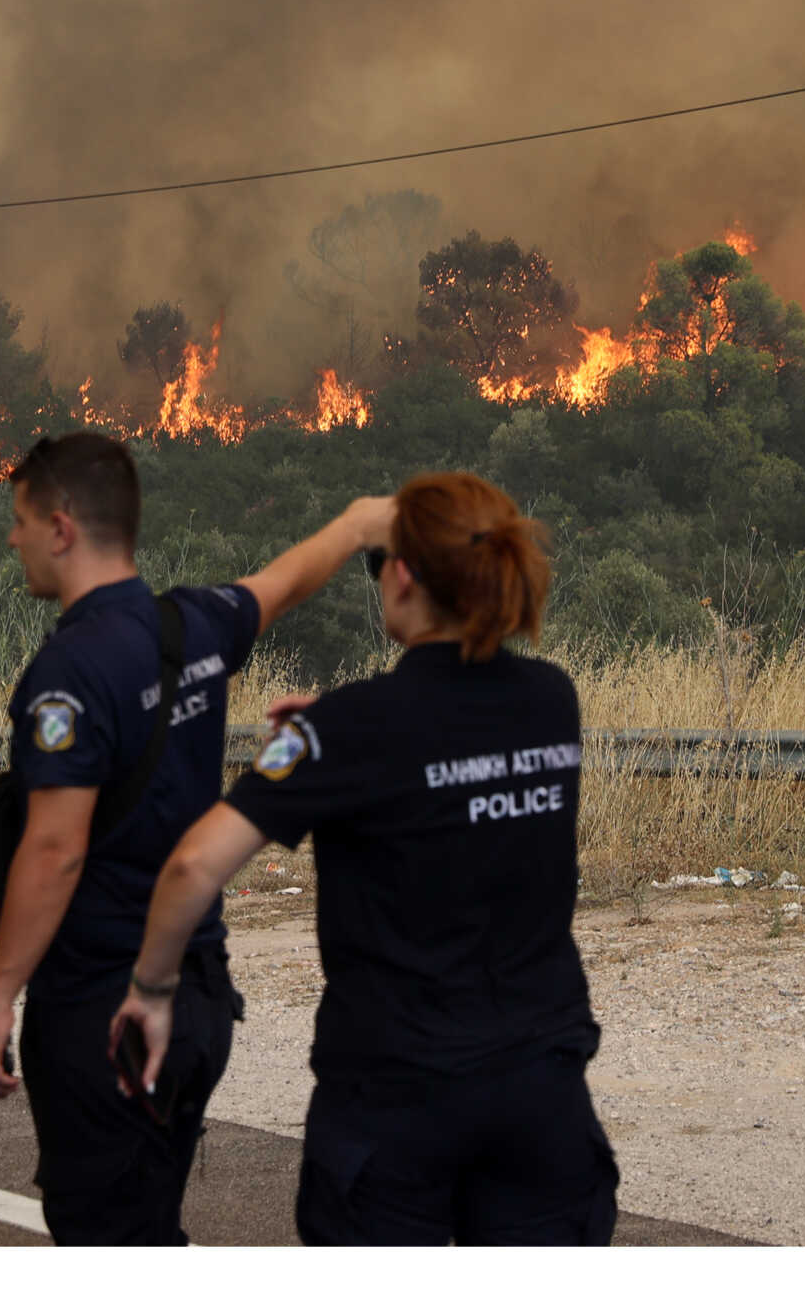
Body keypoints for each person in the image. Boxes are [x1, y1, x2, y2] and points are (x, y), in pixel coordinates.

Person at [111, 470, 618, 1246]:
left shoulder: (347, 731)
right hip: (539, 1091)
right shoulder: (553, 698)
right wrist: (336, 738)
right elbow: (449, 759)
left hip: (395, 1100)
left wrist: (150, 991)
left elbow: (193, 867)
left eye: (377, 562)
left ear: (405, 573)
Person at [0, 430, 394, 1245]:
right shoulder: (194, 626)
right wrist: (355, 524)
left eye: (19, 519)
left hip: (105, 1006)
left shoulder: (69, 672)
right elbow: (281, 583)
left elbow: (55, 853)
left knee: (109, 1238)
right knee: (151, 1221)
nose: (12, 538)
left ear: (61, 528)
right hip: (197, 999)